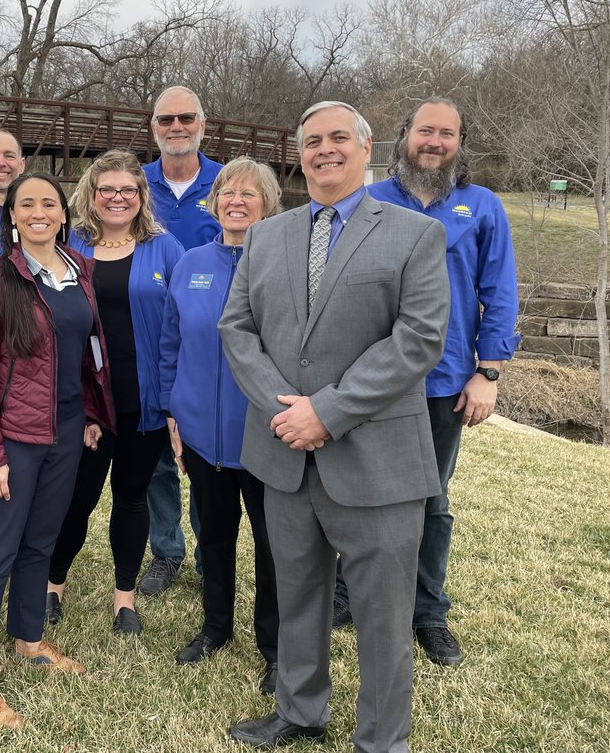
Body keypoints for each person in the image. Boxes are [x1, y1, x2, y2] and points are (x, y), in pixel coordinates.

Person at [220, 101, 450, 752]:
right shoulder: (269, 236)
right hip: (285, 456)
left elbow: (418, 339)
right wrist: (283, 411)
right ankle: (300, 710)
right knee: (298, 595)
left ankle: (381, 739)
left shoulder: (414, 235)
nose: (325, 149)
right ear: (300, 153)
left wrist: (328, 411)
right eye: (313, 140)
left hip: (377, 460)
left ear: (366, 147)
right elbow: (237, 330)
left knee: (381, 616)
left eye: (338, 138)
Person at [332, 98, 520, 668]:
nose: (435, 141)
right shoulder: (366, 202)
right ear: (403, 137)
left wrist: (487, 371)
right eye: (425, 131)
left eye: (448, 133)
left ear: (459, 143)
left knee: (430, 501)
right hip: (368, 377)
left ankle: (428, 611)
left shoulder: (481, 207)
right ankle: (346, 593)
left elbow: (502, 290)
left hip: (441, 381)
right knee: (355, 492)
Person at [0, 173, 114, 728]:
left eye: (49, 202)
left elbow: (85, 351)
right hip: (14, 438)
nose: (40, 211)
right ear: (13, 216)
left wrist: (92, 414)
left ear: (64, 213)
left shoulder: (79, 271)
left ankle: (27, 639)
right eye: (28, 204)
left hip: (67, 433)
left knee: (40, 544)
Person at [46, 151, 184, 637]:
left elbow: (182, 326)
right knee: (75, 498)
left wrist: (174, 404)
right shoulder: (70, 246)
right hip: (86, 401)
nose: (117, 197)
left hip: (143, 400)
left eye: (128, 189)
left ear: (141, 196)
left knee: (130, 496)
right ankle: (53, 584)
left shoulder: (166, 249)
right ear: (91, 193)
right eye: (107, 188)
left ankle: (124, 597)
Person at [158, 157, 280, 695]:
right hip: (202, 435)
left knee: (274, 546)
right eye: (227, 191)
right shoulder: (191, 263)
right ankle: (215, 627)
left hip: (265, 435)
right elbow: (171, 342)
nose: (235, 200)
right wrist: (171, 410)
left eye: (249, 193)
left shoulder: (284, 263)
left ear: (269, 204)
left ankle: (276, 648)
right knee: (214, 536)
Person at [137, 85, 222, 596]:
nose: (176, 127)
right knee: (156, 458)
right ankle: (166, 551)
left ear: (202, 125)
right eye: (165, 119)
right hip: (151, 335)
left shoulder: (227, 183)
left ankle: (213, 552)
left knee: (208, 454)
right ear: (153, 128)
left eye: (186, 117)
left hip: (212, 341)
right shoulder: (134, 184)